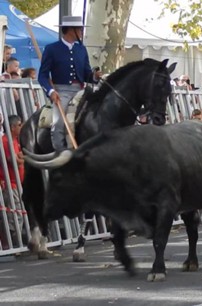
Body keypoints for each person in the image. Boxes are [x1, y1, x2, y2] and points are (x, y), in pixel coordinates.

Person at [38, 16, 102, 152]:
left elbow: (86, 74)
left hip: (81, 90)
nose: (81, 32)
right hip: (62, 92)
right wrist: (51, 92)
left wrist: (95, 77)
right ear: (70, 30)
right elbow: (42, 76)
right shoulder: (51, 49)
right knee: (59, 123)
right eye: (79, 29)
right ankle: (60, 154)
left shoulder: (81, 49)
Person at [0, 115, 24, 247]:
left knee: (17, 213)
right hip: (10, 184)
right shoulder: (6, 141)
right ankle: (14, 244)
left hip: (16, 183)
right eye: (19, 125)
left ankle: (15, 244)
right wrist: (24, 159)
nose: (21, 127)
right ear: (12, 127)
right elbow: (13, 160)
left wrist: (21, 158)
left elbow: (19, 157)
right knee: (15, 214)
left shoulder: (14, 141)